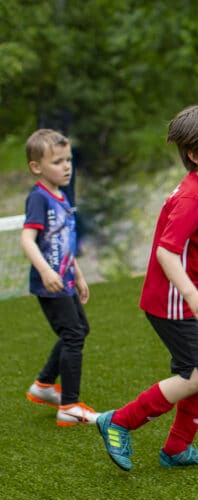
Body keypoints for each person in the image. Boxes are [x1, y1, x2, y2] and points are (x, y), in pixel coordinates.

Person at [95, 105, 198, 471]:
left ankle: (176, 449)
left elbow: (191, 245)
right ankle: (119, 421)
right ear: (195, 155)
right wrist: (190, 290)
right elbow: (165, 252)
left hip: (190, 293)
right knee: (193, 376)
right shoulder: (192, 197)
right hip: (172, 301)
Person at [20, 129, 98, 426]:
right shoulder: (38, 199)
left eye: (68, 160)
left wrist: (78, 275)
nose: (66, 166)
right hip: (49, 283)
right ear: (36, 167)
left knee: (79, 329)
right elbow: (27, 240)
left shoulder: (62, 197)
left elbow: (64, 242)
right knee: (73, 334)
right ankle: (69, 406)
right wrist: (46, 271)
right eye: (57, 162)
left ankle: (42, 386)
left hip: (65, 280)